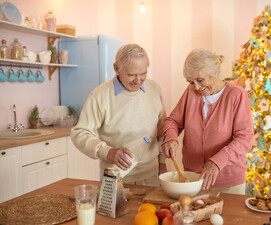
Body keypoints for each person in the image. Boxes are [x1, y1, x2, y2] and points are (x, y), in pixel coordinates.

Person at [71, 43, 166, 187]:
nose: (138, 80)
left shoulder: (154, 89)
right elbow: (79, 133)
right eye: (131, 75)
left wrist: (163, 163)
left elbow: (161, 132)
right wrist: (106, 151)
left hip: (151, 176)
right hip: (115, 179)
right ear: (116, 68)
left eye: (143, 74)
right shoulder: (100, 95)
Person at [162, 49, 254, 194]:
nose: (197, 87)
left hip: (229, 183)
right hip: (193, 180)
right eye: (191, 82)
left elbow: (245, 138)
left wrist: (217, 162)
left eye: (200, 80)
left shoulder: (236, 95)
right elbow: (172, 121)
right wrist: (170, 138)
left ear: (215, 73)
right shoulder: (190, 92)